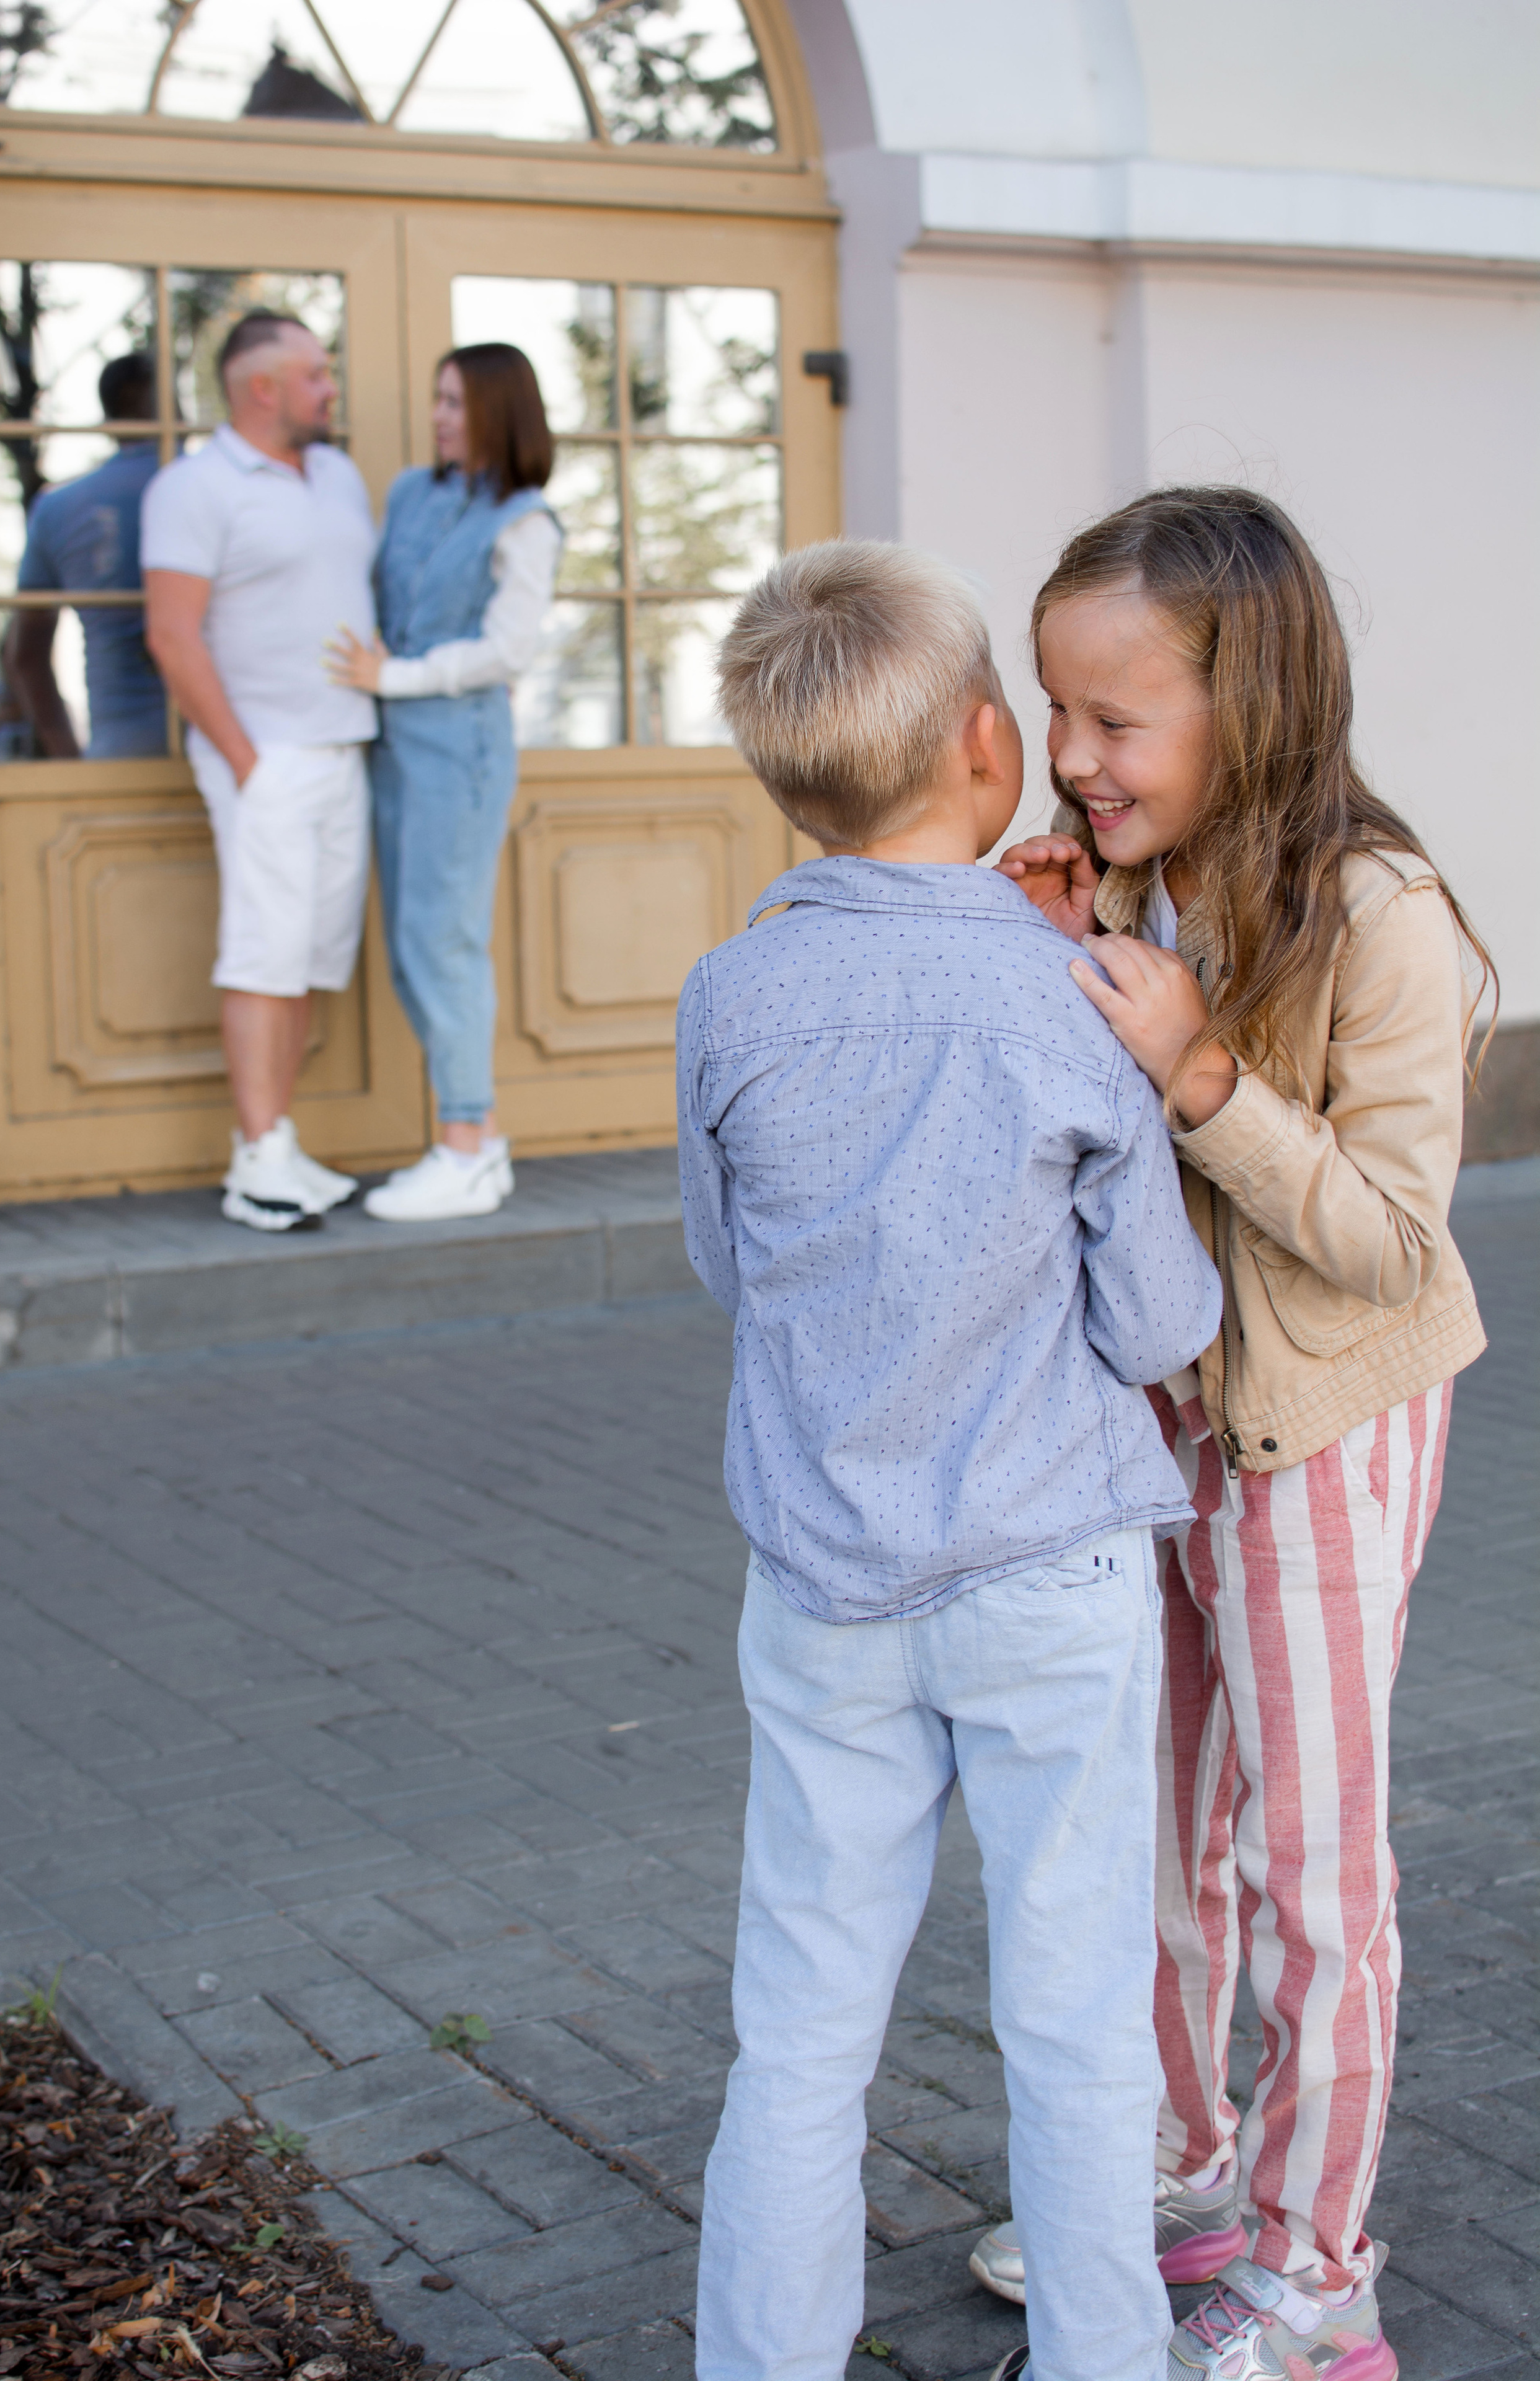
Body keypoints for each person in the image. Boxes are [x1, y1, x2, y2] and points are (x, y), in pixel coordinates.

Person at [680, 541, 1224, 2381]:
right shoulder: (1060, 995)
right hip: (1048, 1571)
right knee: (1075, 2023)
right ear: (991, 745)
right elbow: (1156, 1323)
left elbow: (722, 1264)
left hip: (824, 1579)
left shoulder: (725, 999)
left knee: (802, 2024)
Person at [969, 487, 1491, 2381]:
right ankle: (1179, 2180)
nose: (1076, 759)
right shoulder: (1127, 885)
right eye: (1055, 712)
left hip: (1319, 1438)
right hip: (1152, 1433)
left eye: (1117, 719)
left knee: (1310, 1870)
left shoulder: (1378, 915)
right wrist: (1046, 963)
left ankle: (1312, 2265)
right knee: (1146, 1838)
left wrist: (1196, 1068)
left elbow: (1384, 1237)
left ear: (1247, 700)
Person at [143, 310, 378, 1233]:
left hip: (344, 748)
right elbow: (170, 633)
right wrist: (247, 761)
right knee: (263, 957)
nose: (331, 388)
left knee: (313, 960)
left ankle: (278, 1141)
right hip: (266, 759)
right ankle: (256, 1165)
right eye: (316, 374)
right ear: (263, 387)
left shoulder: (338, 474)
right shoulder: (195, 487)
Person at [326, 344, 560, 1222]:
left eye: (456, 403)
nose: (439, 417)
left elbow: (509, 653)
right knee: (409, 945)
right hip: (391, 746)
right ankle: (477, 1146)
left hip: (458, 753)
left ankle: (469, 1144)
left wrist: (395, 677)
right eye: (437, 399)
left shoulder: (525, 522)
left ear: (499, 412)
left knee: (441, 943)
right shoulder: (411, 495)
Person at [6, 348, 167, 759]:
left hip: (117, 749)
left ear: (109, 419)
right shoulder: (212, 489)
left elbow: (25, 655)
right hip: (223, 746)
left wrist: (68, 760)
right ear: (172, 404)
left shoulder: (58, 508)